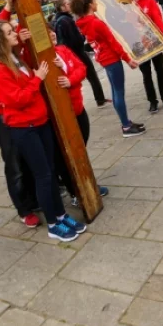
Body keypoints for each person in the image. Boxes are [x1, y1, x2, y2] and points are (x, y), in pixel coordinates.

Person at [0, 21, 85, 243]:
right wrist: (37, 79)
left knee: (49, 170)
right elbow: (15, 99)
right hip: (24, 127)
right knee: (43, 176)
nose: (14, 35)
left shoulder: (15, 58)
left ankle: (61, 215)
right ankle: (53, 223)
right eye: (9, 33)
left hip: (40, 121)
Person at [0, 0, 39, 228]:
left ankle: (33, 198)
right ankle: (23, 209)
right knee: (14, 163)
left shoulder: (13, 54)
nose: (12, 32)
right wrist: (7, 7)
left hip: (20, 113)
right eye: (7, 30)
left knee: (27, 158)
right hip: (2, 116)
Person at [71, 0, 146, 137]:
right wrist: (127, 59)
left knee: (115, 91)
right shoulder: (96, 23)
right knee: (119, 92)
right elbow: (113, 42)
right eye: (94, 1)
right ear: (90, 5)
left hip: (104, 59)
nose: (97, 3)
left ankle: (126, 122)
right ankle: (126, 126)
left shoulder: (85, 23)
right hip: (111, 59)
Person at [50, 25, 108, 204]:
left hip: (78, 107)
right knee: (66, 154)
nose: (52, 35)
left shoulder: (62, 49)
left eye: (52, 32)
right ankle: (74, 190)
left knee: (81, 146)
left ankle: (86, 182)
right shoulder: (41, 59)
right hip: (61, 114)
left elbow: (81, 68)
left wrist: (69, 76)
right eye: (47, 34)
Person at [53, 0, 107, 108]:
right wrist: (82, 36)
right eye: (67, 4)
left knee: (82, 76)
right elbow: (76, 40)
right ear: (62, 7)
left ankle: (98, 98)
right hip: (77, 52)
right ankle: (100, 99)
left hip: (69, 53)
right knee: (91, 74)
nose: (70, 6)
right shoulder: (67, 20)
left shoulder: (57, 21)